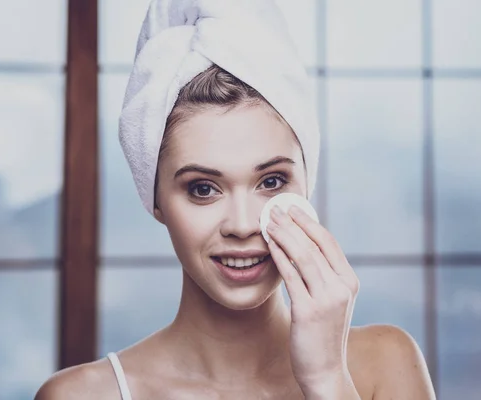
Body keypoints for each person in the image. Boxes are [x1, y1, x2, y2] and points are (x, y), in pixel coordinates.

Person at [36, 1, 435, 399]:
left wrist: (327, 379)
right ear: (155, 199)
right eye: (203, 189)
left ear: (305, 187)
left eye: (272, 181)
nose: (243, 225)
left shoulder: (387, 363)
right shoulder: (82, 395)